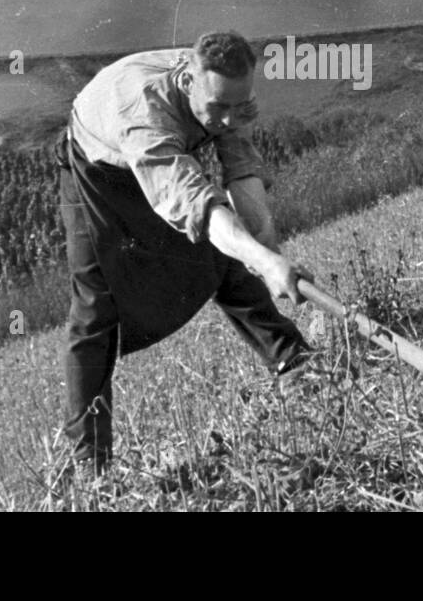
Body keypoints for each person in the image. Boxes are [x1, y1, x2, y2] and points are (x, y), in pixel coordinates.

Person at [54, 30, 313, 472]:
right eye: (218, 109)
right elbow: (196, 203)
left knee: (227, 257)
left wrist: (266, 252)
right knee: (95, 310)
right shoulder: (145, 115)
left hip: (162, 156)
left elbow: (241, 173)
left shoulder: (226, 93)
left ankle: (296, 363)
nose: (230, 119)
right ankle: (89, 466)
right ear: (189, 81)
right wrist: (265, 260)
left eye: (239, 106)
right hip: (97, 169)